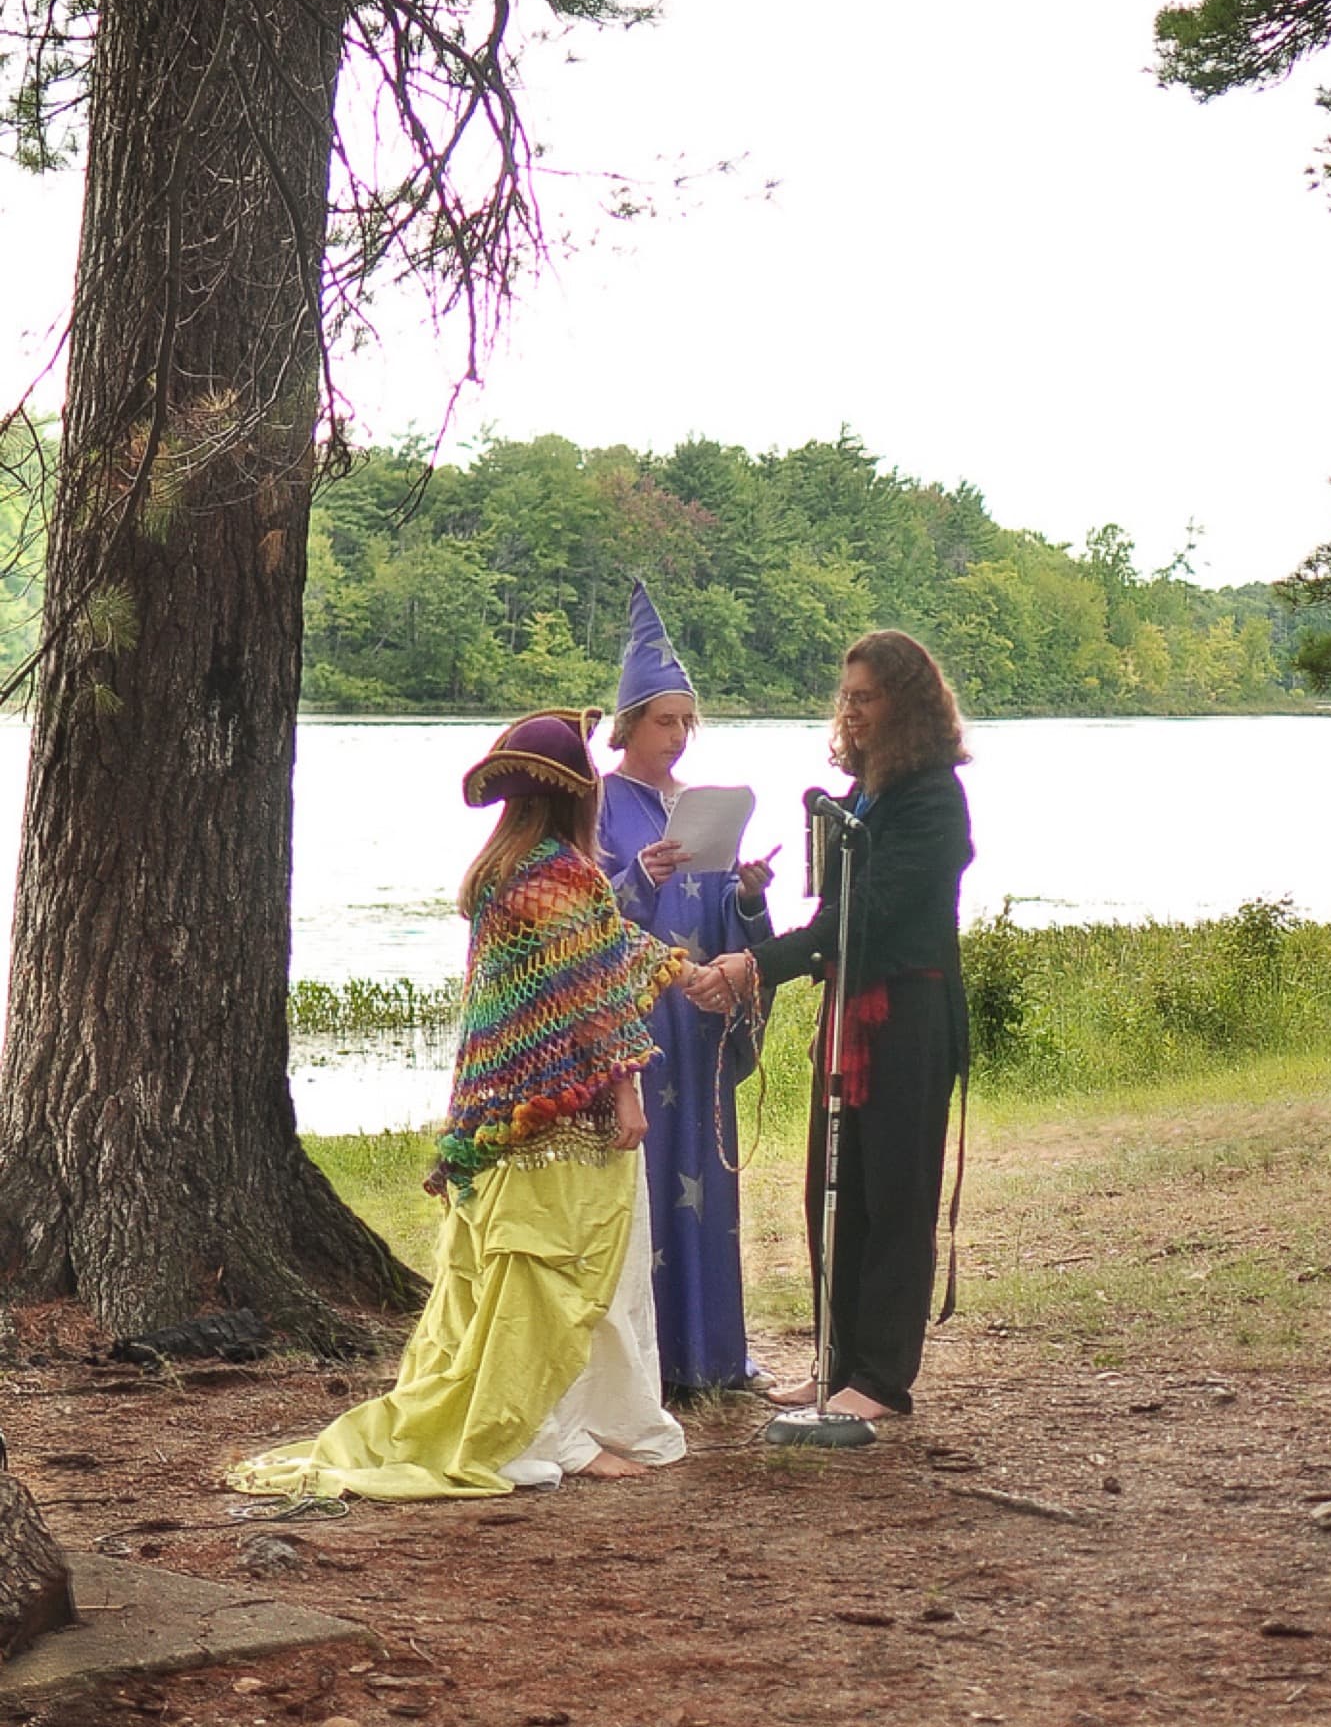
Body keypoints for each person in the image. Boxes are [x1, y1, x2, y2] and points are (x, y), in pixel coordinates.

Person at [227, 712, 692, 1500]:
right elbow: (595, 995)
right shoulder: (561, 875)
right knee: (554, 1281)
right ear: (579, 796)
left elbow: (606, 950)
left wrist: (691, 968)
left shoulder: (503, 872)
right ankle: (542, 1434)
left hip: (499, 1119)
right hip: (557, 1118)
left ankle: (565, 1426)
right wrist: (626, 1090)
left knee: (504, 1287)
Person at [692, 631, 972, 1425]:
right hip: (854, 1010)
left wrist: (754, 968)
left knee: (893, 1192)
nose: (850, 710)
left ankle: (881, 1379)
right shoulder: (864, 793)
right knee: (834, 1189)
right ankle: (836, 1361)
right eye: (845, 695)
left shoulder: (931, 798)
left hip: (909, 1014)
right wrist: (756, 919)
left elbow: (870, 918)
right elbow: (829, 920)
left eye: (866, 697)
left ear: (906, 704)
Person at [597, 579, 777, 1398]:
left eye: (685, 722)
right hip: (641, 1029)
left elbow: (723, 920)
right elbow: (582, 920)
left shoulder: (699, 804)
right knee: (646, 1195)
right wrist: (636, 876)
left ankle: (712, 1356)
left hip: (700, 1017)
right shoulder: (600, 804)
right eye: (663, 721)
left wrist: (745, 894)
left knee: (708, 1190)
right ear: (629, 724)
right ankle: (652, 1368)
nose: (676, 736)